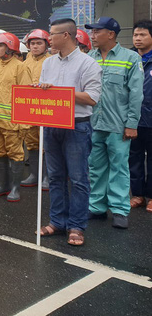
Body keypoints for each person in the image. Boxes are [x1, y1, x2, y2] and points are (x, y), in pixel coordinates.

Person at [39, 18, 102, 246]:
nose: (49, 38)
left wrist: (61, 92)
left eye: (52, 34)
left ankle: (76, 226)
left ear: (66, 35)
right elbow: (42, 92)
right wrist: (44, 91)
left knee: (78, 179)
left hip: (77, 126)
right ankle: (57, 221)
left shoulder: (88, 64)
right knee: (55, 177)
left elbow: (92, 98)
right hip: (52, 125)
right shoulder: (48, 63)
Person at [86, 17, 143, 229]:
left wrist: (131, 124)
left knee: (119, 168)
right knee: (95, 167)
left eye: (97, 31)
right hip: (93, 123)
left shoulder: (130, 58)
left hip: (118, 125)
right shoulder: (89, 58)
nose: (93, 36)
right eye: (92, 32)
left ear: (111, 34)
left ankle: (119, 210)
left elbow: (136, 95)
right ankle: (97, 207)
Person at [0, 32, 32, 202]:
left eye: (0, 45)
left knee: (15, 154)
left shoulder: (20, 67)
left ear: (10, 47)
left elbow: (26, 96)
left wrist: (22, 122)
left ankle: (15, 188)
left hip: (12, 122)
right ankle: (1, 184)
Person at [21, 29, 52, 189]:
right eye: (32, 43)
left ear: (46, 44)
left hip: (46, 108)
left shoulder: (52, 61)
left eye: (39, 43)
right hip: (29, 108)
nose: (35, 46)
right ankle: (34, 175)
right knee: (31, 142)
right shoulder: (26, 62)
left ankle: (47, 177)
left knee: (46, 143)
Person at [130, 19, 152, 212]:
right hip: (133, 119)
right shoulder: (129, 58)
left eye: (142, 35)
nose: (138, 38)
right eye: (136, 35)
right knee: (134, 157)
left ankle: (151, 196)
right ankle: (137, 195)